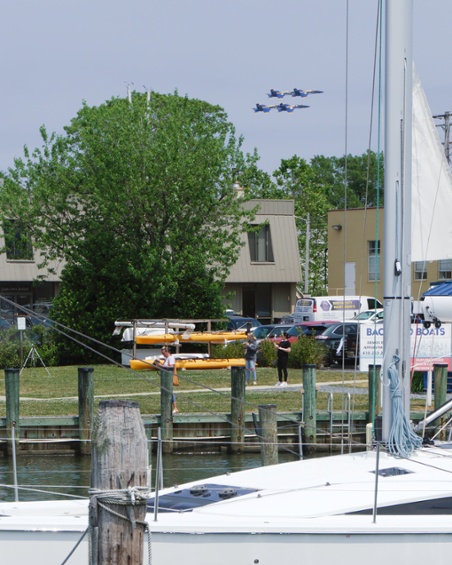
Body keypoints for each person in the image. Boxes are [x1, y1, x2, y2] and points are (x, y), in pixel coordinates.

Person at [154, 346, 179, 414]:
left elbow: (171, 366)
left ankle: (175, 407)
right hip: (165, 378)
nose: (163, 354)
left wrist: (161, 365)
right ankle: (169, 407)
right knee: (168, 392)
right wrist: (160, 364)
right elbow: (166, 367)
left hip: (169, 377)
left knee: (170, 392)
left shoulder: (170, 358)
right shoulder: (166, 358)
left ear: (167, 351)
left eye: (163, 352)